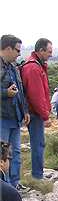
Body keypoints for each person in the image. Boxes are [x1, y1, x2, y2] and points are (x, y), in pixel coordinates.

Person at [0, 34, 30, 190]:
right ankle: (4, 187)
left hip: (15, 117)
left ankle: (14, 184)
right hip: (2, 118)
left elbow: (21, 90)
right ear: (7, 48)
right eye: (17, 50)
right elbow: (8, 91)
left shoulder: (13, 67)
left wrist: (25, 110)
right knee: (2, 155)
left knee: (16, 153)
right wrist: (5, 93)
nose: (19, 53)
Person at [20, 38, 53, 181]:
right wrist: (45, 115)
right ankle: (37, 176)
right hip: (35, 113)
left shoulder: (36, 65)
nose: (51, 55)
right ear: (41, 51)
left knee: (38, 143)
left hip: (34, 112)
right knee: (38, 144)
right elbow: (36, 95)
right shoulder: (33, 68)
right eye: (49, 51)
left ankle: (37, 173)